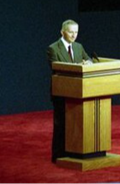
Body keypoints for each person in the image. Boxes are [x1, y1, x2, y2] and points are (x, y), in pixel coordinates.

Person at [46, 19, 91, 163]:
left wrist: (87, 63)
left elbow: (88, 60)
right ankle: (58, 154)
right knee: (61, 124)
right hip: (62, 92)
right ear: (62, 32)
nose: (74, 35)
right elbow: (57, 67)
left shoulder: (78, 46)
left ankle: (74, 151)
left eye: (76, 32)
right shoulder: (53, 48)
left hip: (79, 92)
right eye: (71, 32)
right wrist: (77, 66)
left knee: (76, 123)